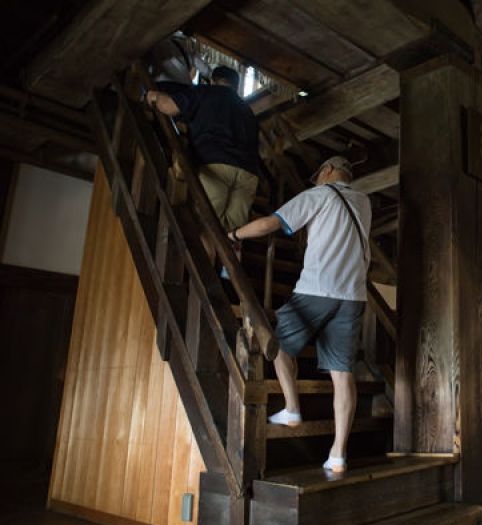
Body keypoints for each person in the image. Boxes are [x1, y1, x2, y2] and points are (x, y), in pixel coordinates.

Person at [227, 156, 371, 473]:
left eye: (318, 173)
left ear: (329, 171)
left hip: (317, 288)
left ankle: (292, 408)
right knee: (343, 374)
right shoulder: (364, 202)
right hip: (352, 296)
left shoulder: (319, 195)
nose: (316, 179)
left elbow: (269, 224)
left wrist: (234, 235)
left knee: (275, 341)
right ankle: (338, 453)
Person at [145, 66, 261, 234]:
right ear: (236, 86)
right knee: (231, 235)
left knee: (206, 228)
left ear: (213, 81)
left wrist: (154, 96)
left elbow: (170, 106)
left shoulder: (206, 92)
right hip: (249, 174)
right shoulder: (247, 110)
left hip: (216, 166)